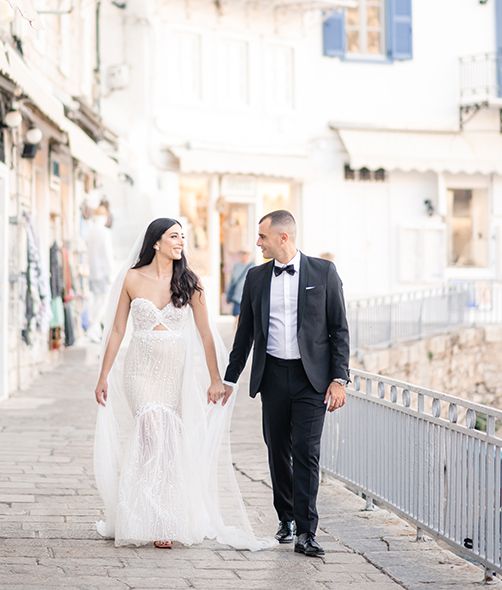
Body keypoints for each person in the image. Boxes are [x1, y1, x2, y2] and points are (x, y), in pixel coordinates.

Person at [93, 217, 274, 550]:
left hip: (174, 371)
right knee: (152, 432)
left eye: (182, 237)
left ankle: (163, 517)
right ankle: (150, 515)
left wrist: (216, 379)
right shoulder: (132, 278)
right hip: (140, 370)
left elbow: (206, 333)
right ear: (156, 242)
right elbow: (118, 331)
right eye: (173, 236)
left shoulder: (191, 282)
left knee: (166, 441)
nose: (180, 242)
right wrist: (103, 375)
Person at [222, 209, 350, 558]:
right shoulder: (256, 277)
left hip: (313, 380)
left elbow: (339, 330)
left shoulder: (323, 272)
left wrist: (339, 379)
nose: (257, 242)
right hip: (273, 376)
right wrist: (228, 379)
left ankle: (307, 532)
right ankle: (287, 517)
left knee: (307, 453)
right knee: (277, 449)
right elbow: (245, 333)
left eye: (262, 236)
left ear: (283, 238)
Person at [85, 205, 114, 341]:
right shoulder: (104, 232)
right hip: (102, 271)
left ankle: (94, 330)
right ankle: (93, 328)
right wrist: (111, 270)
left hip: (92, 271)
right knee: (103, 301)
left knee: (96, 301)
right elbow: (108, 254)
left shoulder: (89, 231)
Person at [225, 250, 255, 320]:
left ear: (248, 254)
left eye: (244, 253)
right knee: (237, 318)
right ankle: (236, 331)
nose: (242, 255)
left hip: (248, 297)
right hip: (237, 297)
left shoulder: (253, 266)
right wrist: (228, 294)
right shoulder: (236, 266)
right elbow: (232, 281)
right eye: (240, 253)